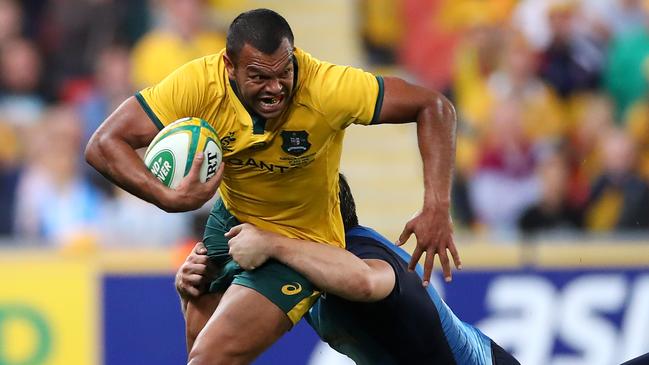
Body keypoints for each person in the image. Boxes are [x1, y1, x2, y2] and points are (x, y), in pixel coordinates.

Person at [85, 8, 460, 364]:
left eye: (284, 72)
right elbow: (103, 144)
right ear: (229, 67)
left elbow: (434, 106)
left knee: (209, 358)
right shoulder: (199, 83)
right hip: (230, 222)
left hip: (297, 238)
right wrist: (167, 196)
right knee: (199, 346)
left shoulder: (328, 87)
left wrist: (437, 207)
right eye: (259, 77)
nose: (275, 88)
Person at [177, 174, 520, 364]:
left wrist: (272, 243)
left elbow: (368, 283)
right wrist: (194, 292)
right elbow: (211, 355)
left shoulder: (364, 252)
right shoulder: (294, 263)